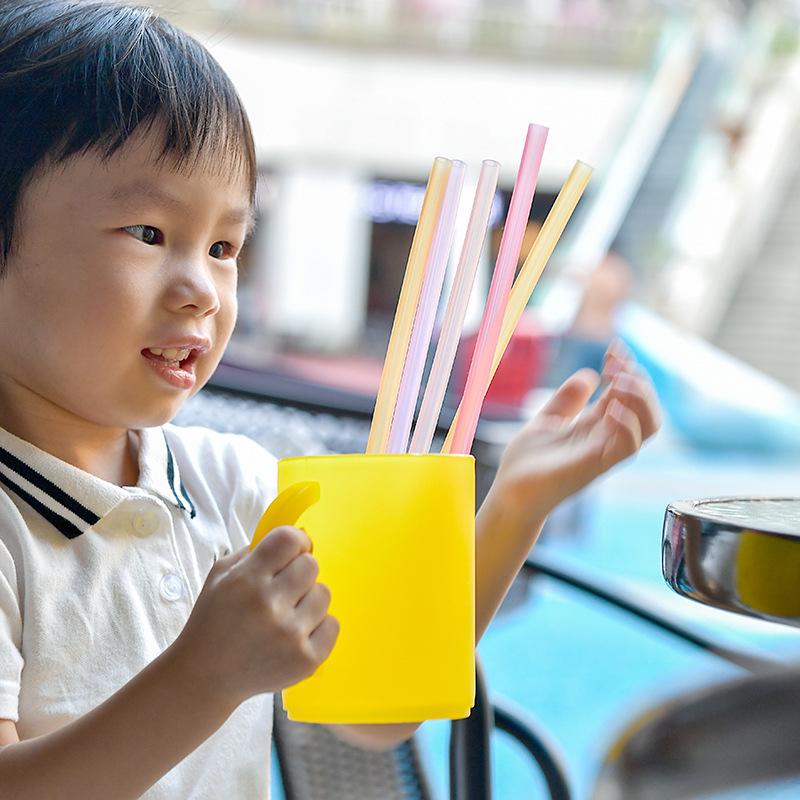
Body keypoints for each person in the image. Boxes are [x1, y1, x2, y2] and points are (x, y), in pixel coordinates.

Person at [0, 1, 661, 797]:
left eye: (224, 248)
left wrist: (518, 504)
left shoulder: (235, 485)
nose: (202, 290)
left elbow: (373, 710)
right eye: (148, 233)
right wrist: (201, 679)